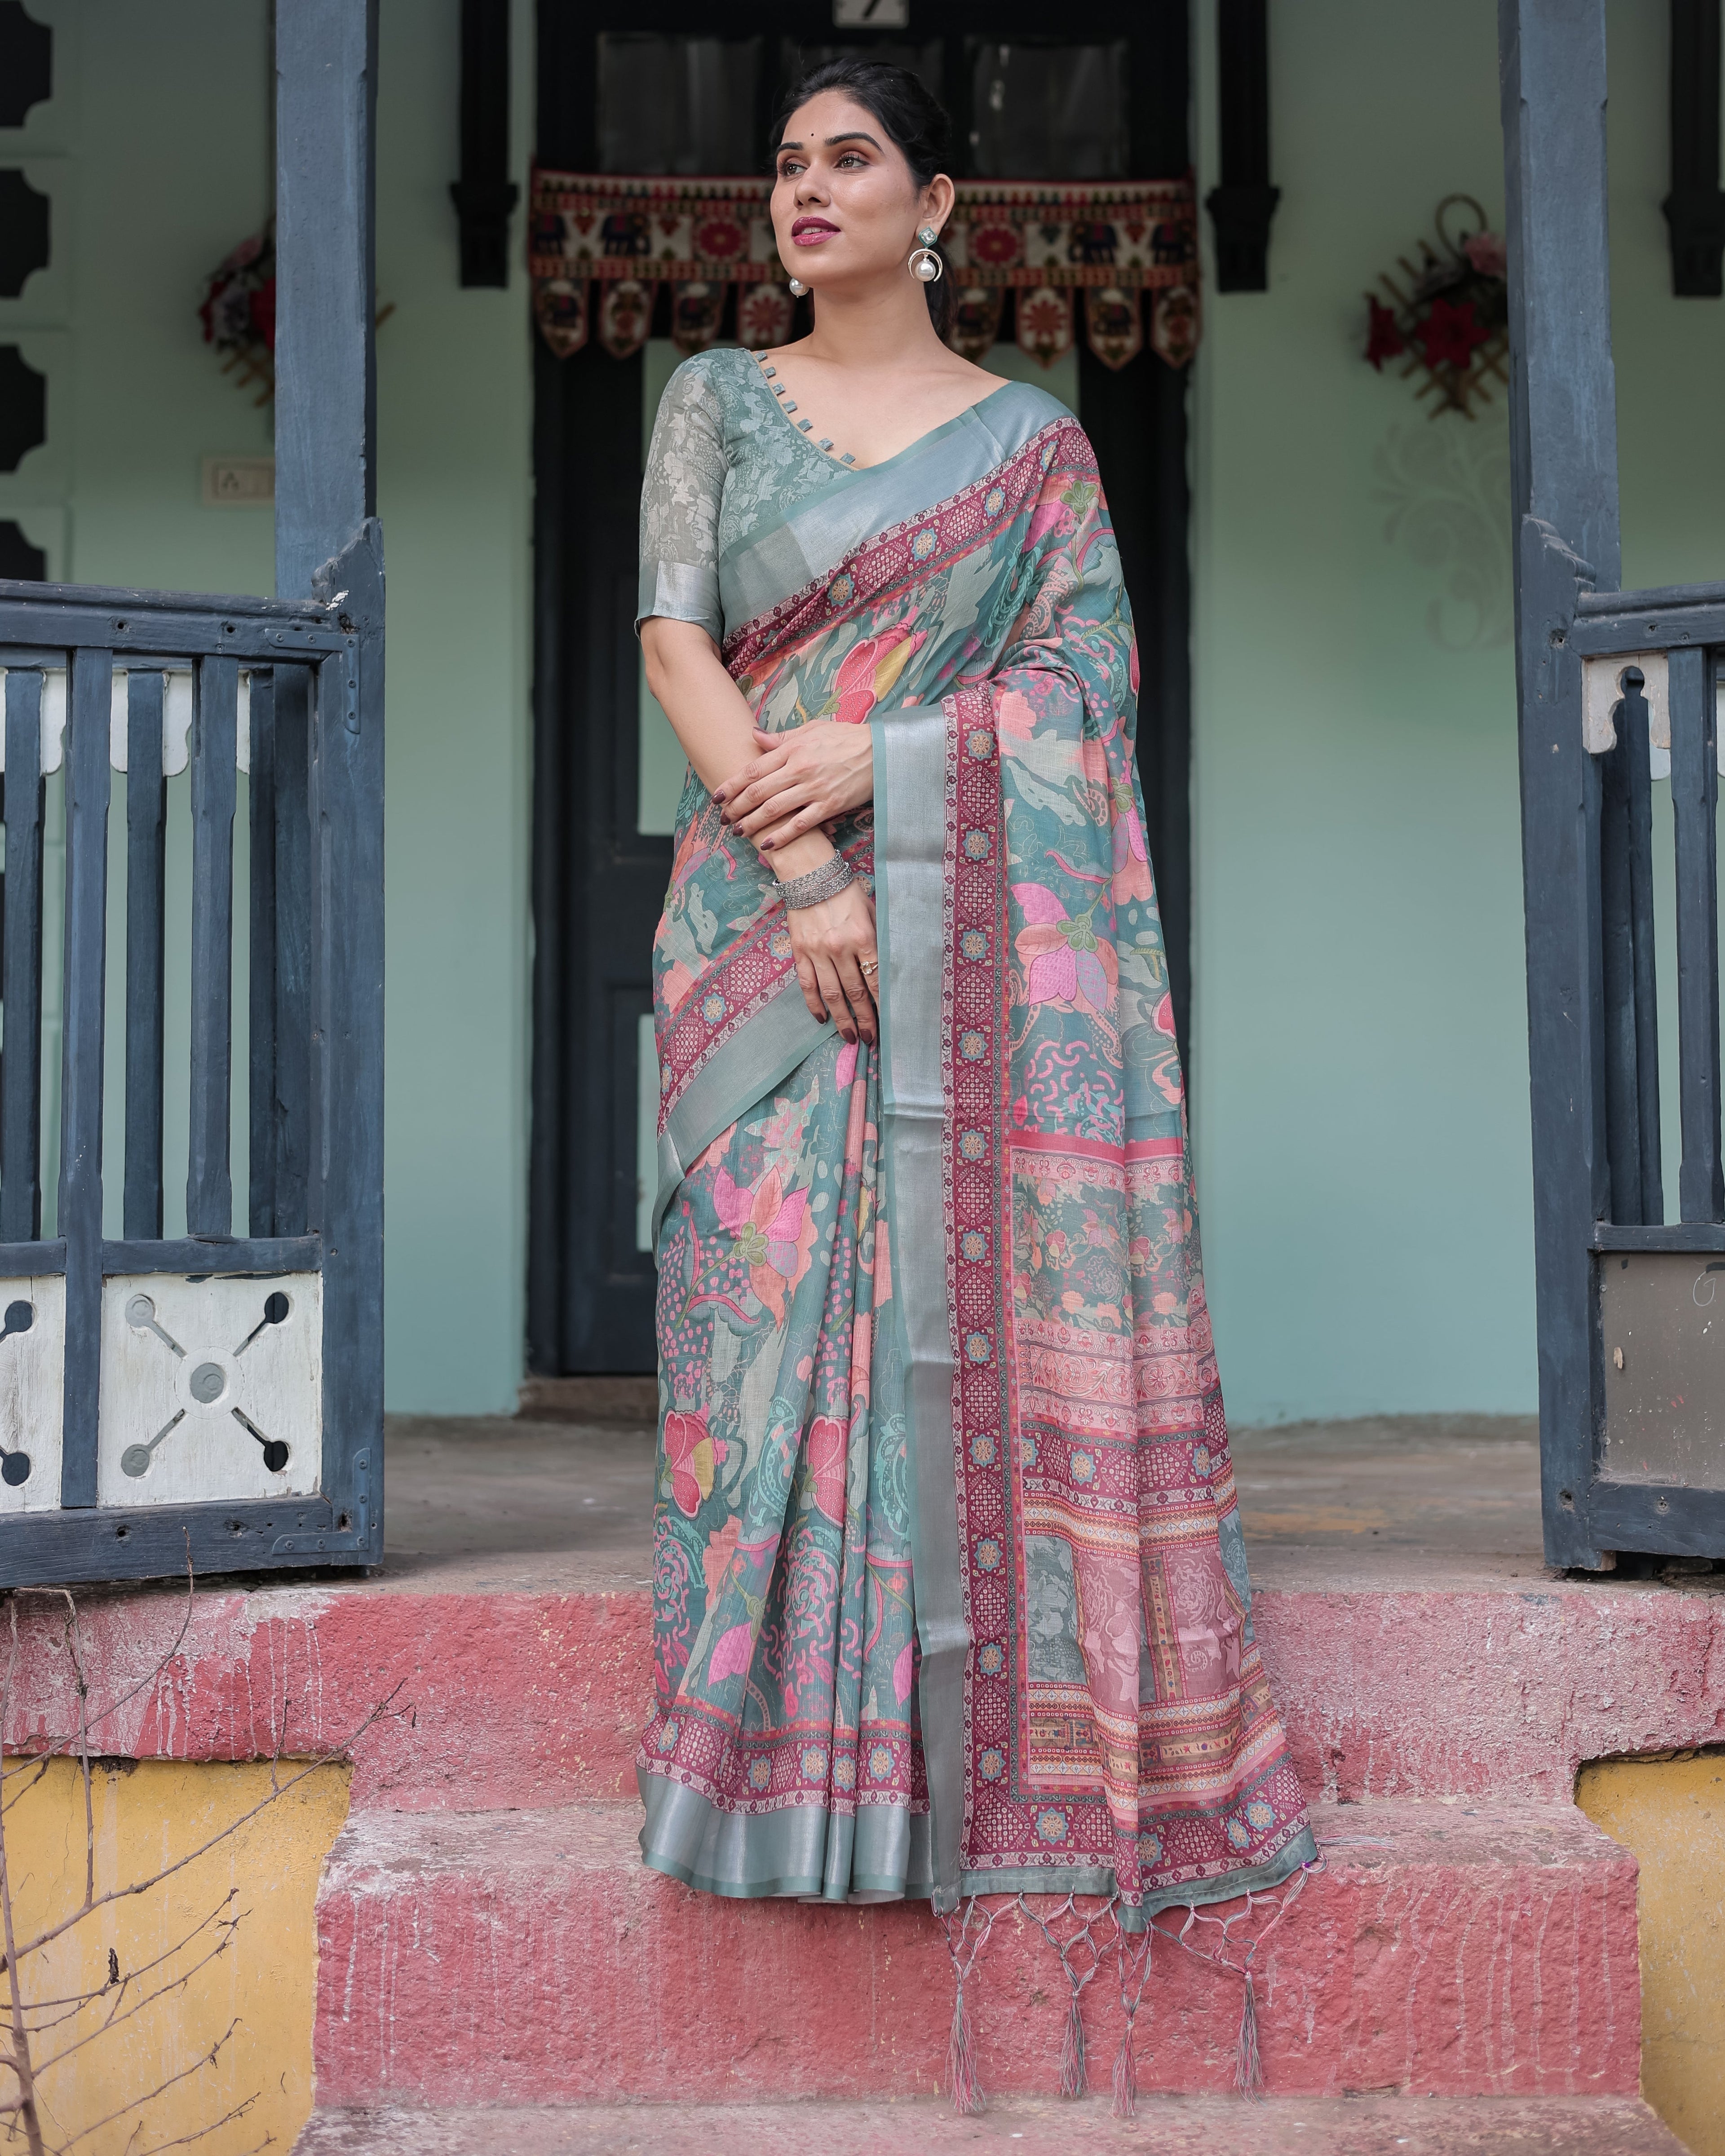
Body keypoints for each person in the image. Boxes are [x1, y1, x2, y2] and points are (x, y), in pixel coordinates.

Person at [636, 57, 1314, 1941]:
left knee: (942, 1329)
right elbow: (675, 636)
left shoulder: (1030, 454)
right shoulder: (710, 401)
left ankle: (930, 1766)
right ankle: (746, 1776)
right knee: (754, 1323)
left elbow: (1089, 692)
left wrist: (887, 757)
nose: (808, 190)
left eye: (851, 160)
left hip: (954, 942)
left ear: (937, 205)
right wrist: (806, 862)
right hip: (757, 934)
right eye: (785, 165)